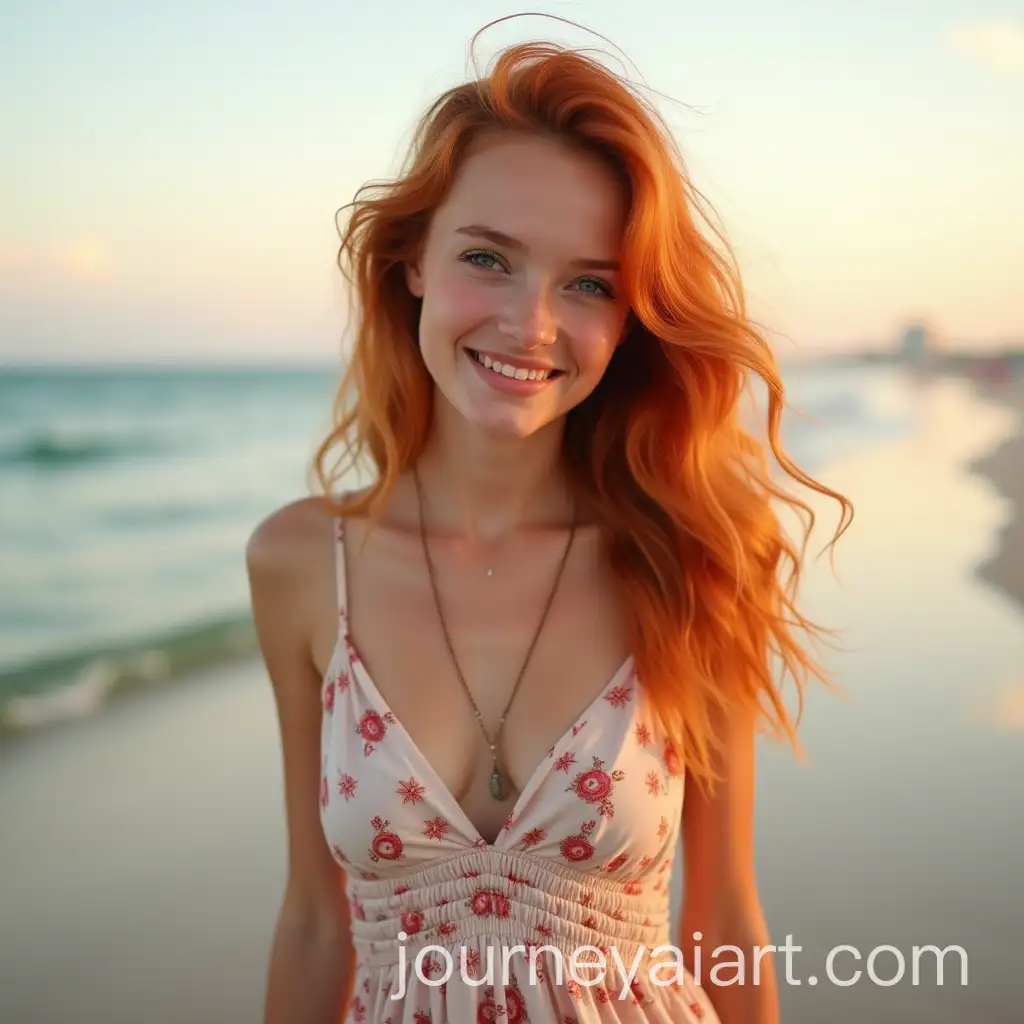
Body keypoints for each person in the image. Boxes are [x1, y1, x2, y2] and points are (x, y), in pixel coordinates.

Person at [246, 15, 852, 1024]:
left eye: (586, 284)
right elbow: (315, 920)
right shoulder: (307, 564)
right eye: (488, 258)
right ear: (411, 262)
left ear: (630, 315)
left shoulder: (695, 554)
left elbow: (724, 915)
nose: (531, 324)